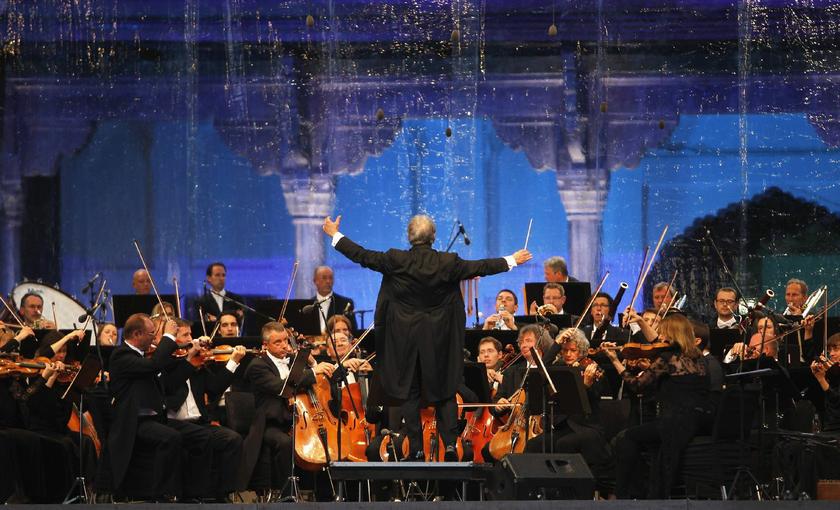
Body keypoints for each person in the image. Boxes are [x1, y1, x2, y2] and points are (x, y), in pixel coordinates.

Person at [322, 213, 531, 461]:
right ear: (433, 237)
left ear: (410, 237)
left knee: (410, 392)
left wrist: (335, 235)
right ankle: (451, 444)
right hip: (438, 339)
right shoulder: (448, 262)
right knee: (444, 389)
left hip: (404, 340)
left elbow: (363, 255)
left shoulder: (395, 259)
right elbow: (481, 267)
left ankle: (417, 448)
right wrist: (512, 260)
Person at [603, 313, 711, 499]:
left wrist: (615, 362)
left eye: (663, 333)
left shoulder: (668, 358)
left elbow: (637, 386)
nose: (659, 337)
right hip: (698, 421)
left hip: (674, 423)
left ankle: (623, 495)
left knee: (625, 438)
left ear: (672, 334)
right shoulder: (699, 358)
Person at [237, 322, 334, 495]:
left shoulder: (294, 363)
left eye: (285, 341)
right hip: (271, 424)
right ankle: (287, 494)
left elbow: (316, 386)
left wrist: (311, 363)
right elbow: (283, 388)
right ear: (265, 345)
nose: (284, 346)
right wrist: (312, 372)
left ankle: (324, 494)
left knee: (324, 440)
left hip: (298, 420)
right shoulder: (257, 366)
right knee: (286, 443)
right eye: (278, 342)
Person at [102, 314, 185, 499]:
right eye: (151, 333)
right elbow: (154, 364)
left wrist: (190, 356)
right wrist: (168, 337)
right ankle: (161, 494)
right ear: (137, 334)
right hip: (133, 422)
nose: (154, 338)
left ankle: (196, 492)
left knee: (200, 435)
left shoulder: (144, 356)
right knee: (170, 438)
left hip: (155, 418)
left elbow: (169, 382)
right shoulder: (121, 355)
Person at [162, 319, 246, 501]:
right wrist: (189, 360)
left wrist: (233, 361)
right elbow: (169, 385)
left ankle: (222, 493)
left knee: (232, 439)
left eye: (191, 334)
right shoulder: (165, 363)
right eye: (186, 335)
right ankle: (195, 494)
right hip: (173, 423)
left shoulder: (197, 363)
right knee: (202, 437)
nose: (192, 339)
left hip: (199, 422)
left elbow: (214, 388)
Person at [310, 266, 357, 332]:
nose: (328, 281)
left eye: (331, 278)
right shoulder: (308, 305)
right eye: (324, 278)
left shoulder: (345, 303)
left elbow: (352, 329)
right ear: (315, 281)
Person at [811, 333, 840, 431]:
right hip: (829, 425)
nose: (831, 354)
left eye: (836, 349)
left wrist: (821, 379)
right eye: (830, 350)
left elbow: (836, 400)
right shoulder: (832, 372)